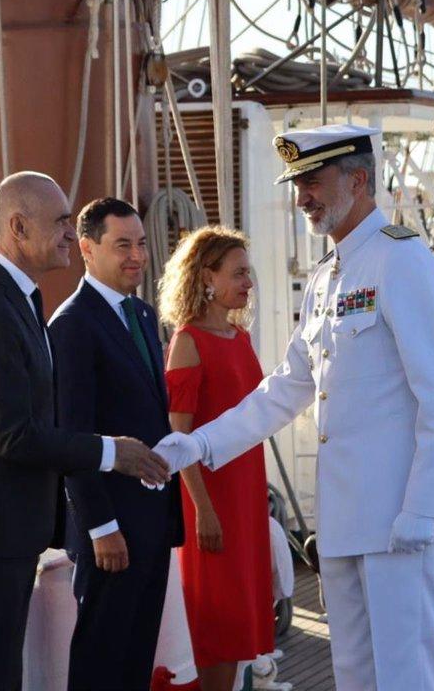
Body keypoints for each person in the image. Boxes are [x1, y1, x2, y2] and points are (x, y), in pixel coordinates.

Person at [155, 124, 434, 691]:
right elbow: (287, 387)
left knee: (406, 676)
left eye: (312, 181)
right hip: (347, 519)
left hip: (403, 518)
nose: (301, 196)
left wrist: (424, 510)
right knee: (354, 675)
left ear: (359, 179)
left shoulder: (403, 262)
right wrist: (201, 444)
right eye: (297, 183)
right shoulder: (328, 277)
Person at [0, 172, 171, 690]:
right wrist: (113, 453)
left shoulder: (15, 298)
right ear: (18, 226)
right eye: (61, 222)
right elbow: (14, 435)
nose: (69, 232)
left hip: (5, 526)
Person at [47, 197, 183, 690]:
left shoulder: (144, 316)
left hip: (150, 522)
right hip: (111, 531)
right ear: (87, 248)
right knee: (101, 662)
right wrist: (101, 527)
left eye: (142, 244)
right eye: (122, 244)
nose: (137, 256)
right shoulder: (71, 325)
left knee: (136, 658)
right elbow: (71, 436)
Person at [156, 225, 273, 691]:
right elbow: (177, 436)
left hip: (244, 495)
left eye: (250, 273)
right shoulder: (187, 342)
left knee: (240, 622)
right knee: (216, 627)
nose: (249, 283)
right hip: (210, 499)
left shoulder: (238, 336)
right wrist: (203, 509)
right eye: (239, 273)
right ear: (207, 275)